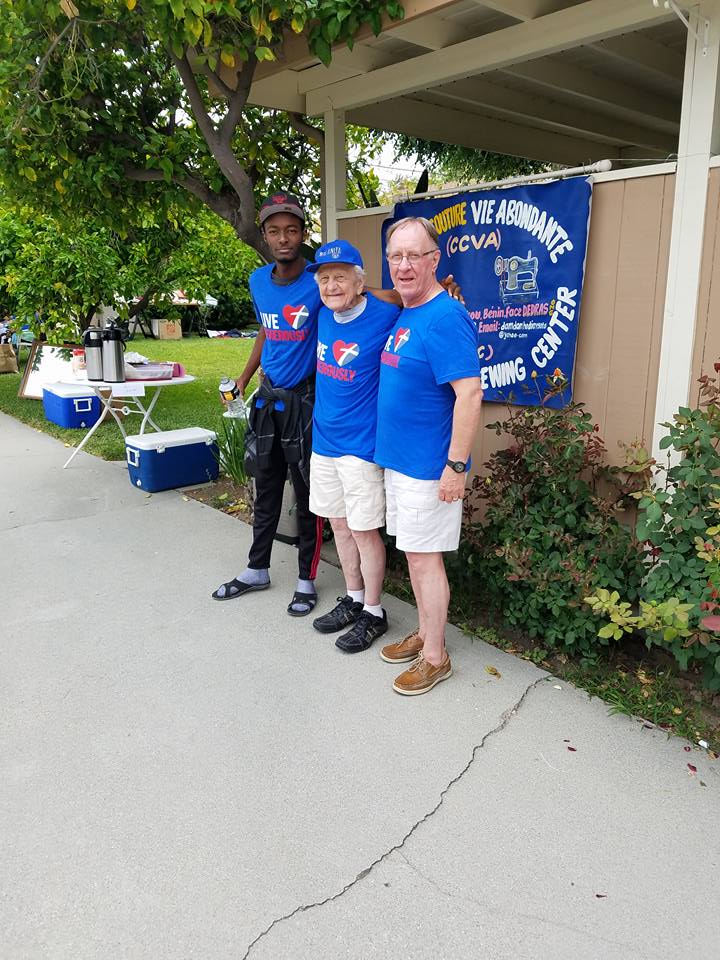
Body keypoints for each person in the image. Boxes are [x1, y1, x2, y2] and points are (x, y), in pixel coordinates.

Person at [375, 216, 483, 696]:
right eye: (395, 256)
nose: (403, 266)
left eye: (413, 256)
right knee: (416, 557)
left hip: (428, 469)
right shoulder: (410, 310)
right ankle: (425, 631)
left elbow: (470, 394)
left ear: (434, 260)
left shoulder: (445, 317)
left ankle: (436, 657)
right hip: (401, 463)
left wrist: (456, 467)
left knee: (424, 561)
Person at [212, 193, 324, 616]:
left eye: (291, 230)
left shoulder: (318, 280)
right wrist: (244, 378)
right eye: (274, 231)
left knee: (308, 494)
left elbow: (362, 295)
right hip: (268, 398)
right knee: (267, 486)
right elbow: (265, 330)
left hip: (306, 399)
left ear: (303, 233)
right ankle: (257, 568)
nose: (283, 238)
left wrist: (419, 294)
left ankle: (306, 579)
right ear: (264, 235)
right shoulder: (258, 280)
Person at [306, 240, 401, 652]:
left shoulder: (385, 314)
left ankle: (374, 612)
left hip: (360, 446)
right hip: (324, 442)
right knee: (339, 526)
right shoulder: (323, 316)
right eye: (324, 278)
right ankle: (354, 597)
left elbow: (407, 299)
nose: (331, 286)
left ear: (360, 282)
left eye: (341, 277)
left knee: (364, 531)